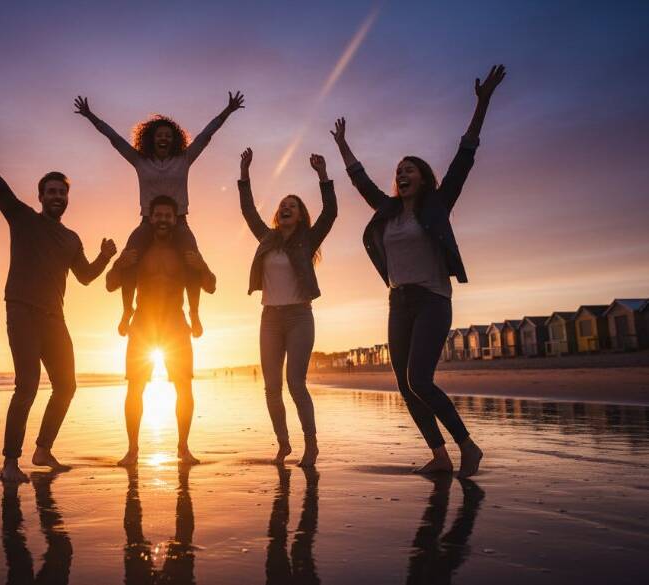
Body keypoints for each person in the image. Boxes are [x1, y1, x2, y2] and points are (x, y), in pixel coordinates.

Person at [331, 65, 506, 478]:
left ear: (424, 177)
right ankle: (439, 455)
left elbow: (465, 156)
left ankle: (468, 445)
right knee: (405, 384)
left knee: (420, 379)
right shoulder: (388, 211)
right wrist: (342, 145)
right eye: (398, 171)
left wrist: (482, 103)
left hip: (432, 299)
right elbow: (361, 182)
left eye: (409, 169)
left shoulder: (437, 205)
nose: (401, 174)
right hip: (399, 301)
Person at [0, 101, 117, 483]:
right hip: (22, 311)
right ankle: (10, 461)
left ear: (67, 198)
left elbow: (87, 277)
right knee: (26, 386)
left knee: (67, 386)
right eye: (51, 191)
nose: (57, 196)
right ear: (40, 196)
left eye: (62, 192)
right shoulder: (22, 217)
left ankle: (43, 450)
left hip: (54, 318)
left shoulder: (72, 238)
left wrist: (105, 256)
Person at [74, 92, 243, 338]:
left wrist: (227, 112)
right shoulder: (140, 160)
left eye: (167, 135)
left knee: (192, 259)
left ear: (173, 139)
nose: (163, 138)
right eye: (159, 135)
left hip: (180, 222)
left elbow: (206, 136)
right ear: (151, 139)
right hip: (148, 222)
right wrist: (91, 116)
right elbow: (115, 140)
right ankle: (126, 310)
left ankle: (194, 312)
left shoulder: (184, 159)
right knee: (129, 256)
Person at [238, 148, 337, 466]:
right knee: (271, 387)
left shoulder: (307, 240)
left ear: (300, 216)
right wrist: (244, 172)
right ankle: (283, 444)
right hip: (269, 317)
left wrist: (323, 176)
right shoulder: (266, 238)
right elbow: (248, 211)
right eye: (282, 205)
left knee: (296, 383)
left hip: (298, 316)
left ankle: (311, 445)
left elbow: (330, 213)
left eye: (292, 206)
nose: (285, 208)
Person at [105, 196, 216, 466]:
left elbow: (211, 286)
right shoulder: (138, 254)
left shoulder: (184, 255)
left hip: (176, 327)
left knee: (184, 388)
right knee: (135, 388)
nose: (163, 220)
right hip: (142, 326)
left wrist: (203, 266)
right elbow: (110, 285)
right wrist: (119, 263)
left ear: (175, 220)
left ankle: (183, 447)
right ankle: (132, 450)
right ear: (150, 218)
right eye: (159, 215)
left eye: (168, 215)